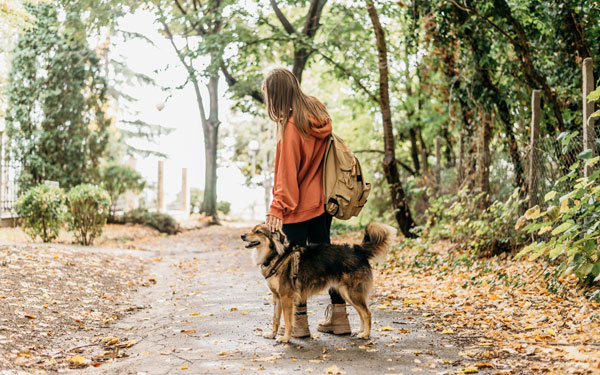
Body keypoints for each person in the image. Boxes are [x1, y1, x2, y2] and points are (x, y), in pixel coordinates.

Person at [262, 67, 350, 338]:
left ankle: (299, 324)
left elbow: (288, 175)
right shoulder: (317, 110)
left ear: (276, 94)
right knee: (327, 260)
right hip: (324, 203)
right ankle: (340, 319)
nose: (265, 98)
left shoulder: (291, 127)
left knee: (294, 266)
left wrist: (277, 207)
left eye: (267, 93)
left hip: (298, 207)